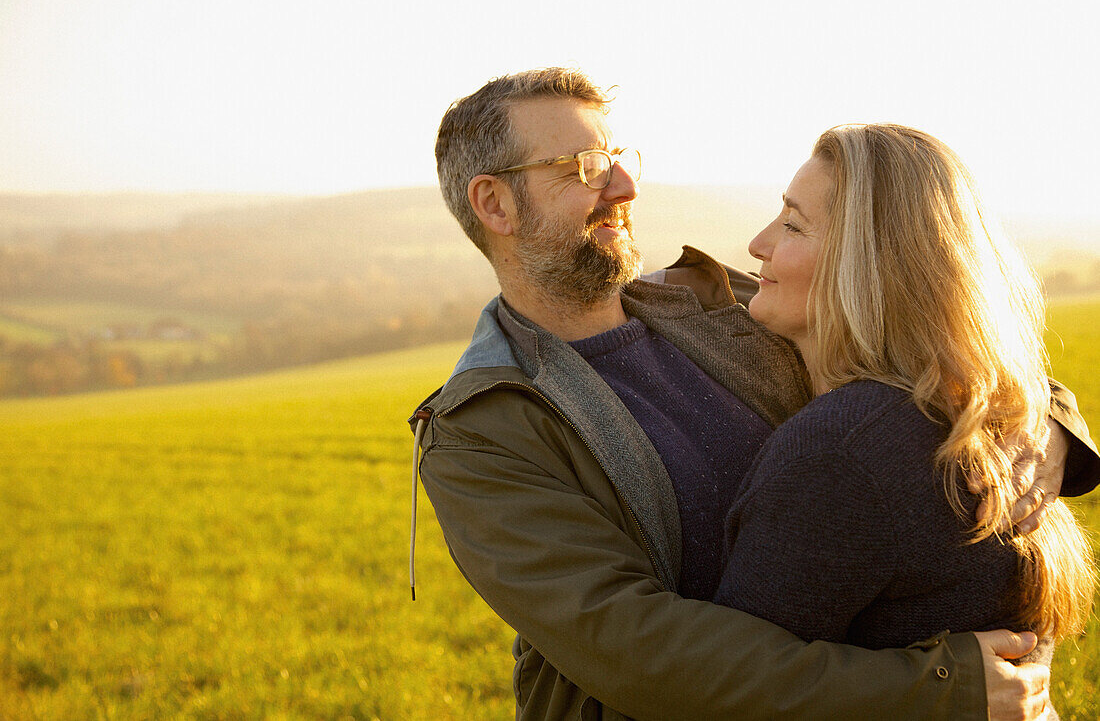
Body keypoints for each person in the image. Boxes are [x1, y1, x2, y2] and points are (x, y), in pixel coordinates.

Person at [410, 68, 1100, 720]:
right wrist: (933, 689)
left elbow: (924, 332)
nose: (623, 185)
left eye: (619, 157)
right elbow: (643, 653)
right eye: (584, 168)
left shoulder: (727, 301)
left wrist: (1050, 424)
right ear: (494, 202)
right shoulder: (482, 429)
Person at [714, 125, 1096, 721]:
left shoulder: (841, 452)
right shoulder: (982, 409)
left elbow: (735, 692)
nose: (758, 243)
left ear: (862, 265)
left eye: (792, 224)